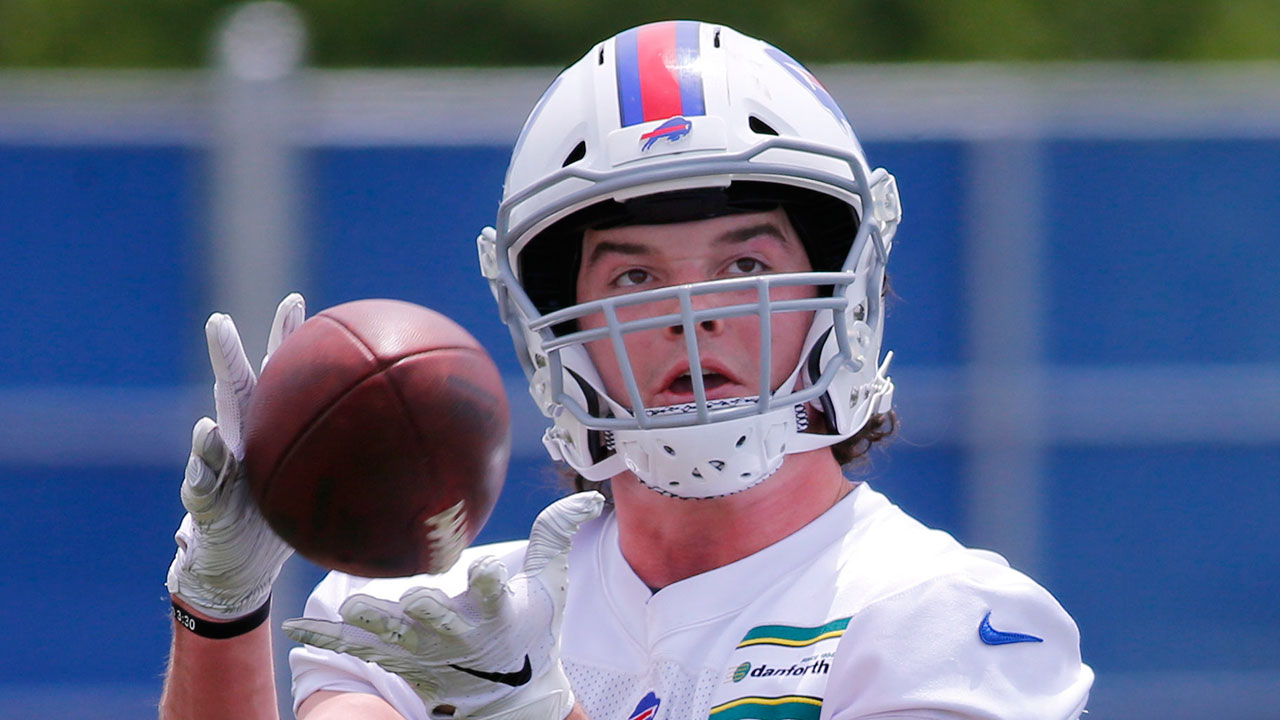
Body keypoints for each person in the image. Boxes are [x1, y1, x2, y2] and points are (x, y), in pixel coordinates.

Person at [161, 20, 1093, 720]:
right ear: (555, 333)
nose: (697, 316)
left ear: (842, 294)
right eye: (637, 277)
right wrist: (223, 611)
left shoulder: (951, 621)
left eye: (746, 266)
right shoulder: (434, 618)